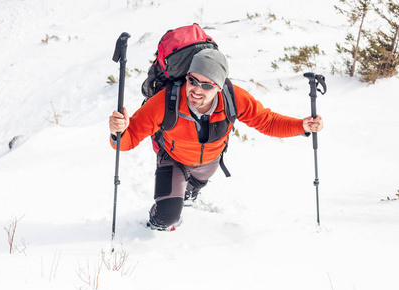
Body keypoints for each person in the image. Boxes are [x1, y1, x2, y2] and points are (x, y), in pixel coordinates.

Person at [109, 49, 323, 231]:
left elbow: (267, 121)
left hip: (209, 162)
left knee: (191, 193)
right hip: (174, 159)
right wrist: (118, 132)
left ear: (219, 86)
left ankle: (189, 195)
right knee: (167, 217)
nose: (197, 90)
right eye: (192, 80)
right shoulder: (165, 103)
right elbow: (127, 140)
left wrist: (302, 126)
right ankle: (154, 226)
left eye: (207, 85)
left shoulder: (233, 98)